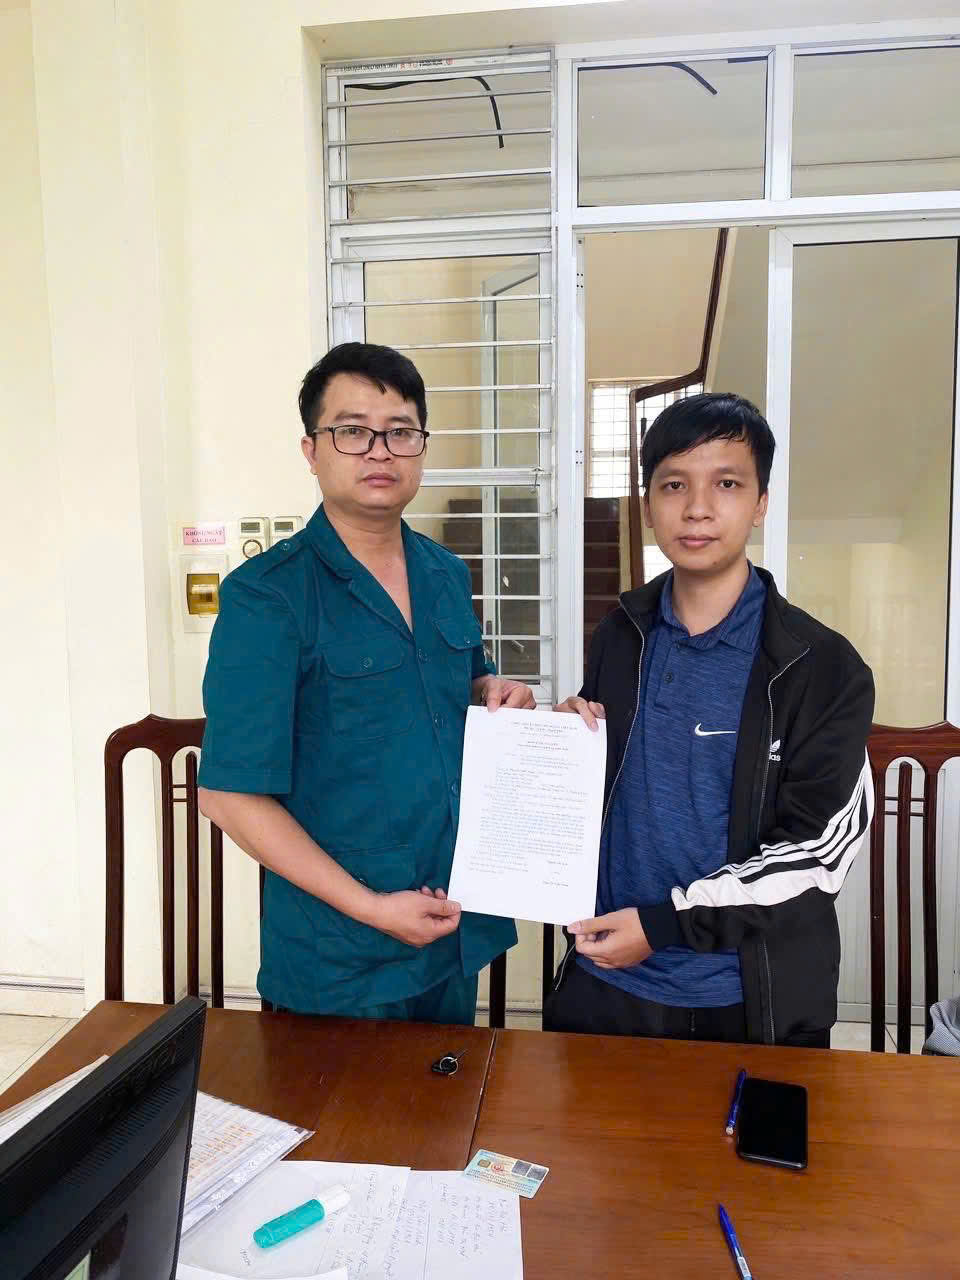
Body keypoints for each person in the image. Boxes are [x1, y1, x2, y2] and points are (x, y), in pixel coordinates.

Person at [198, 342, 533, 1023]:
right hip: (340, 957)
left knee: (449, 1092)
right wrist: (373, 909)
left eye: (400, 431)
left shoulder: (445, 572)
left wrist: (493, 689)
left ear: (421, 447)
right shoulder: (268, 595)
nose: (380, 451)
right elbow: (229, 797)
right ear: (311, 450)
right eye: (352, 431)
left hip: (452, 924)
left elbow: (459, 680)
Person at [546, 392, 874, 1047]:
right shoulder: (620, 633)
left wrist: (664, 925)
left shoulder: (821, 665)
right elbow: (609, 788)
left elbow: (815, 856)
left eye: (726, 484)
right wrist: (562, 744)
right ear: (647, 506)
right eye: (674, 485)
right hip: (607, 980)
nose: (697, 508)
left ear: (760, 503)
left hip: (746, 999)